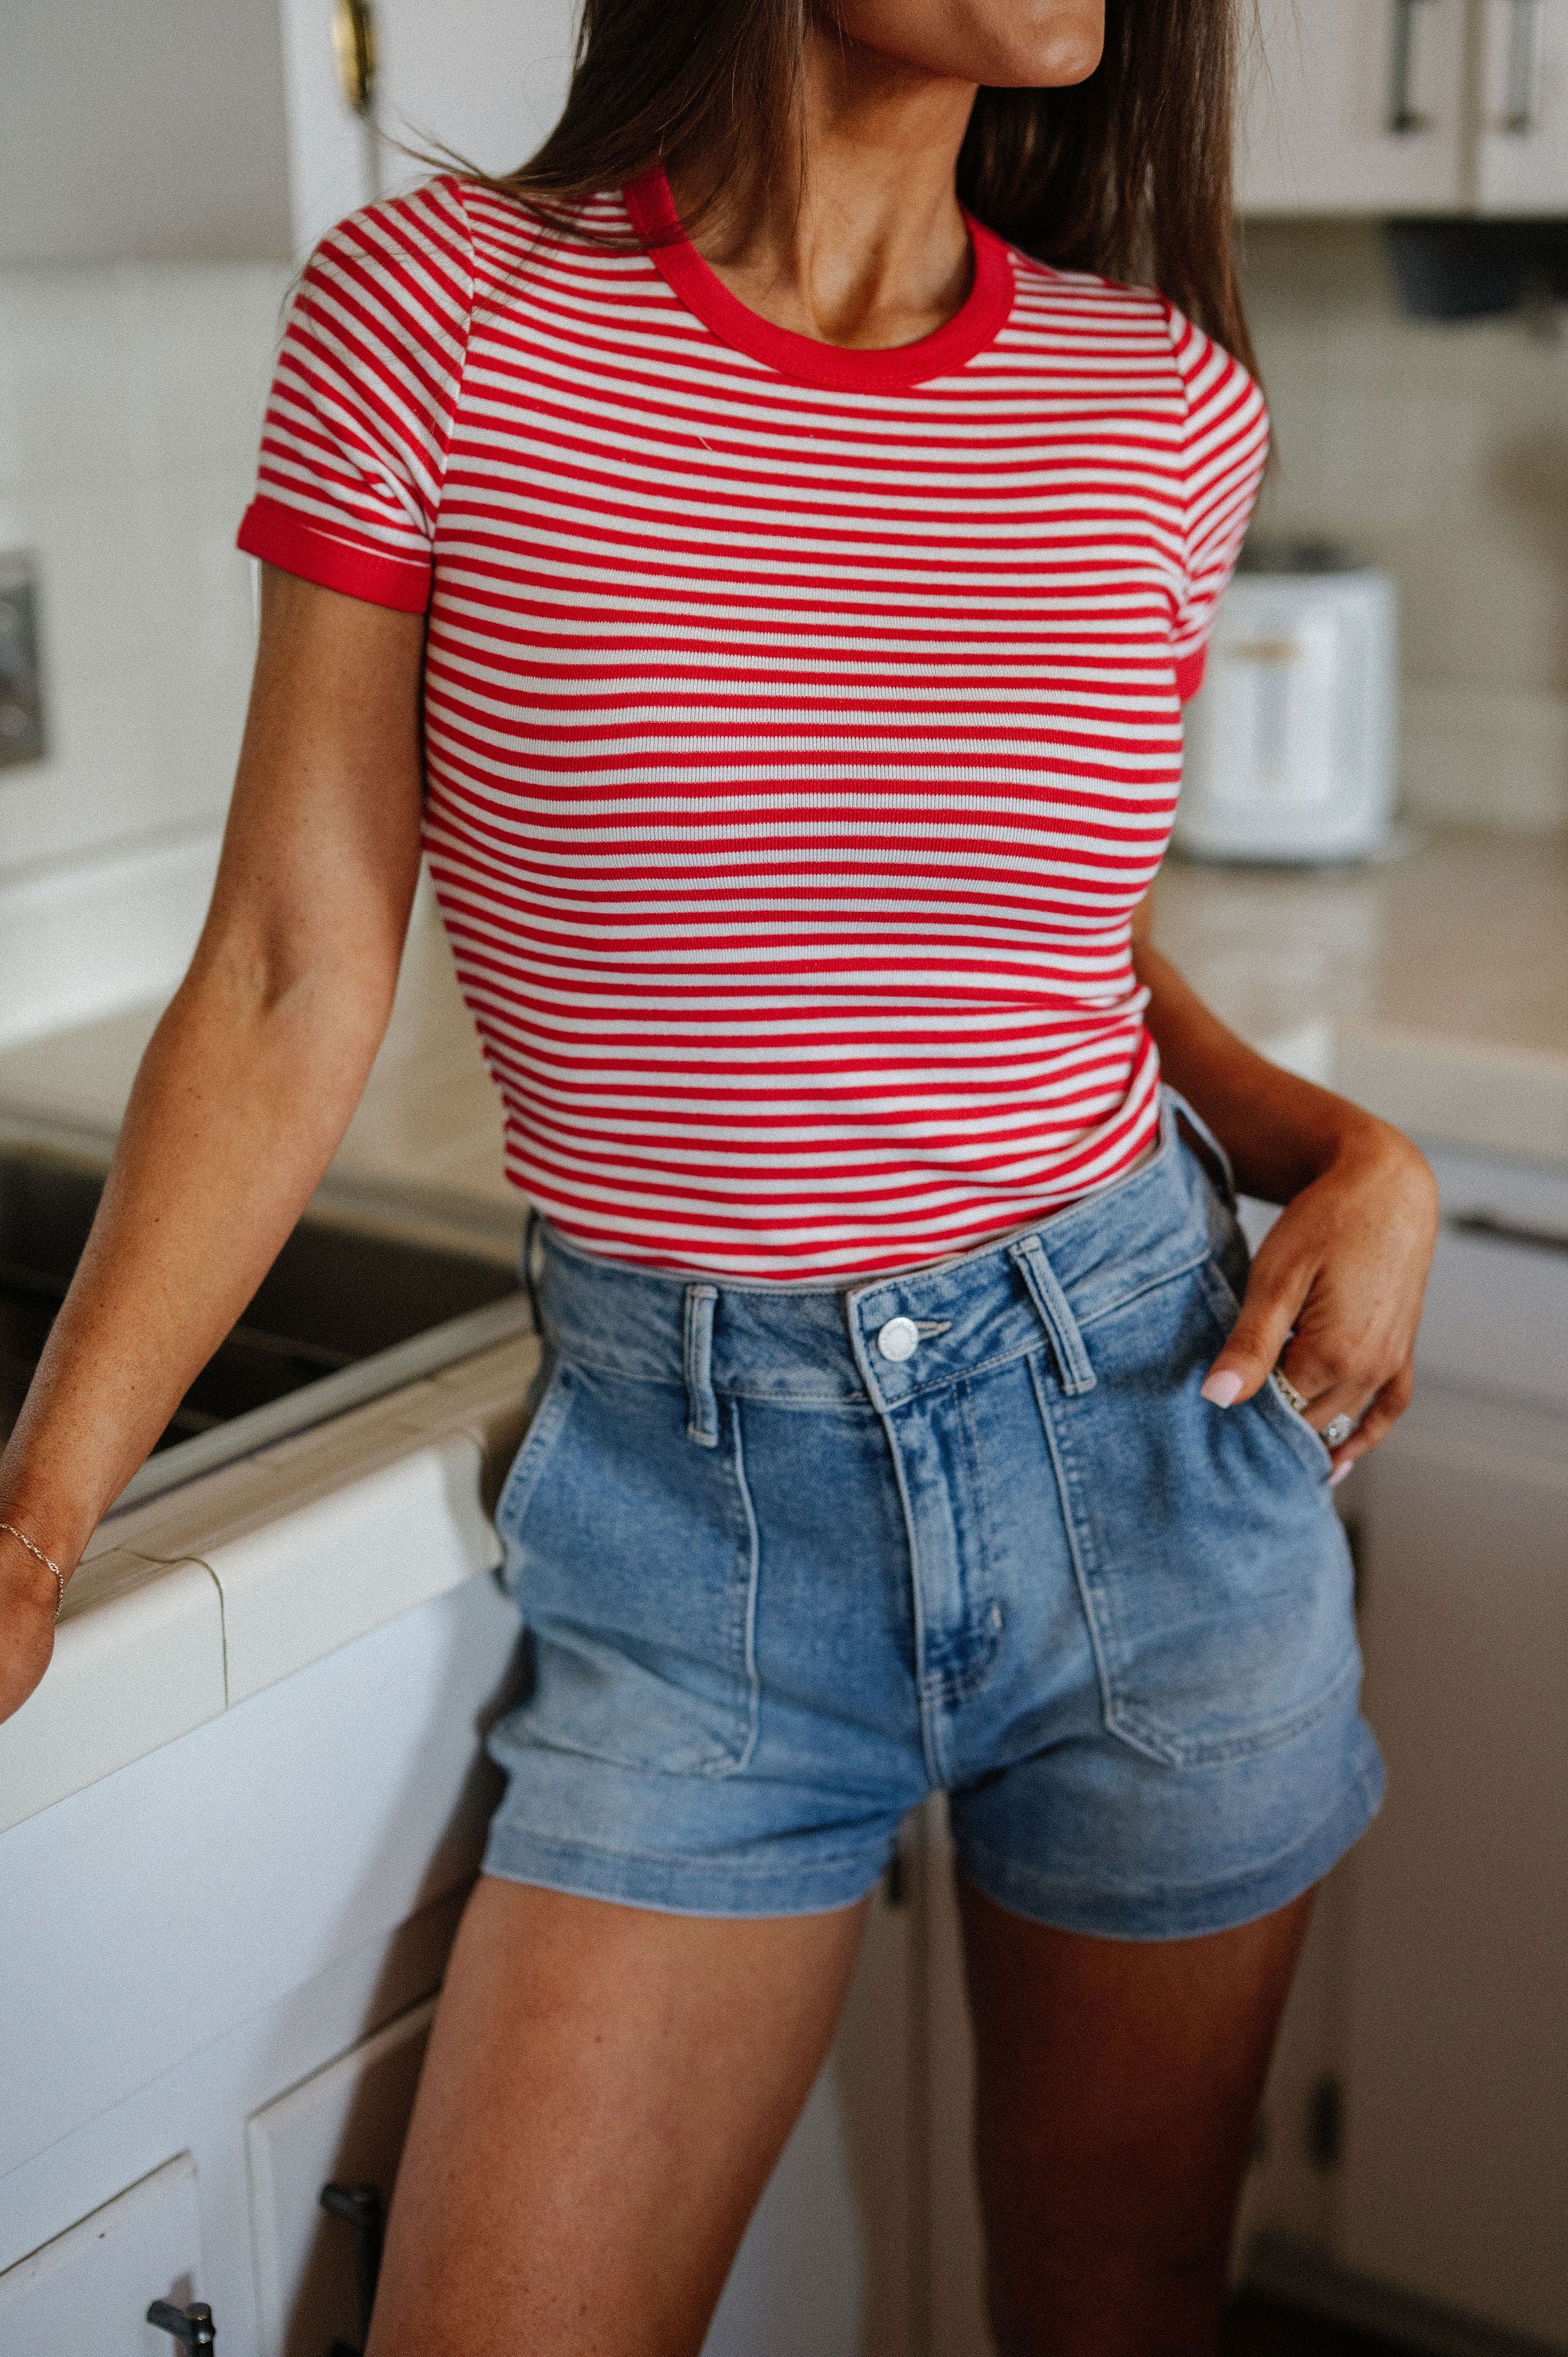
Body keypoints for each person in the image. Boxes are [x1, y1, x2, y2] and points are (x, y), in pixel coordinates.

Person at [0, 2, 1439, 2349]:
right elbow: (287, 966)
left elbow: (1016, 923)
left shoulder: (1164, 406)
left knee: (1125, 2303)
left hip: (1152, 1447)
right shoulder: (438, 312)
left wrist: (1339, 1145)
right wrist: (36, 1520)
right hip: (699, 1534)